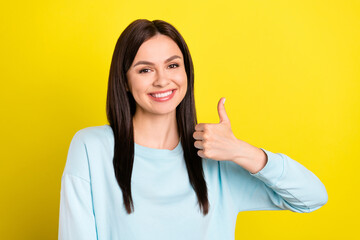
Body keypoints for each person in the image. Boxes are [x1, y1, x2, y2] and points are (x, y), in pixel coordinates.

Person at [58, 19, 328, 240]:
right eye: (145, 70)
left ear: (186, 72)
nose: (163, 80)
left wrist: (241, 151)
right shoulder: (91, 148)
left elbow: (312, 197)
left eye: (173, 65)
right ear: (125, 81)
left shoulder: (214, 156)